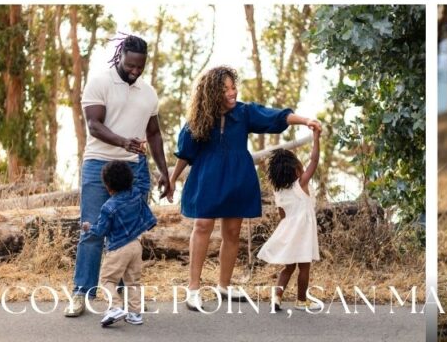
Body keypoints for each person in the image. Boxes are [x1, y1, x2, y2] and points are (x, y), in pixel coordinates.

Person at [167, 66, 322, 311]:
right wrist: (172, 179)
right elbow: (185, 154)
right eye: (225, 89)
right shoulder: (198, 119)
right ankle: (194, 288)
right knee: (202, 226)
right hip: (207, 178)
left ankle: (224, 285)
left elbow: (275, 117)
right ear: (211, 93)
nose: (232, 93)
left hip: (237, 178)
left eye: (233, 87)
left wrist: (306, 121)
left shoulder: (244, 112)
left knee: (232, 232)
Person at [65, 34, 169, 317]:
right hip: (98, 165)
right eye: (130, 65)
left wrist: (164, 171)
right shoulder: (100, 82)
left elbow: (154, 134)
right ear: (120, 55)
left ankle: (123, 296)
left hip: (134, 169)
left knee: (128, 234)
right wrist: (123, 142)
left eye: (140, 67)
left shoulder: (148, 93)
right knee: (92, 230)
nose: (135, 71)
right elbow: (94, 125)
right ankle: (81, 294)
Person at [81, 161, 157, 327]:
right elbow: (145, 181)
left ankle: (115, 307)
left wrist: (88, 228)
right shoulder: (136, 194)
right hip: (136, 245)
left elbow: (101, 230)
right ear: (129, 179)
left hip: (118, 248)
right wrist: (141, 159)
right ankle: (135, 314)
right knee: (133, 281)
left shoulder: (108, 207)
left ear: (108, 187)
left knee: (107, 280)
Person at [258, 128, 322, 312]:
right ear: (296, 170)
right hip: (303, 233)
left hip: (289, 232)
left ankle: (277, 297)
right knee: (304, 268)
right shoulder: (300, 184)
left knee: (289, 267)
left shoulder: (279, 192)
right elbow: (314, 160)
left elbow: (283, 216)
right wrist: (316, 138)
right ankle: (301, 300)